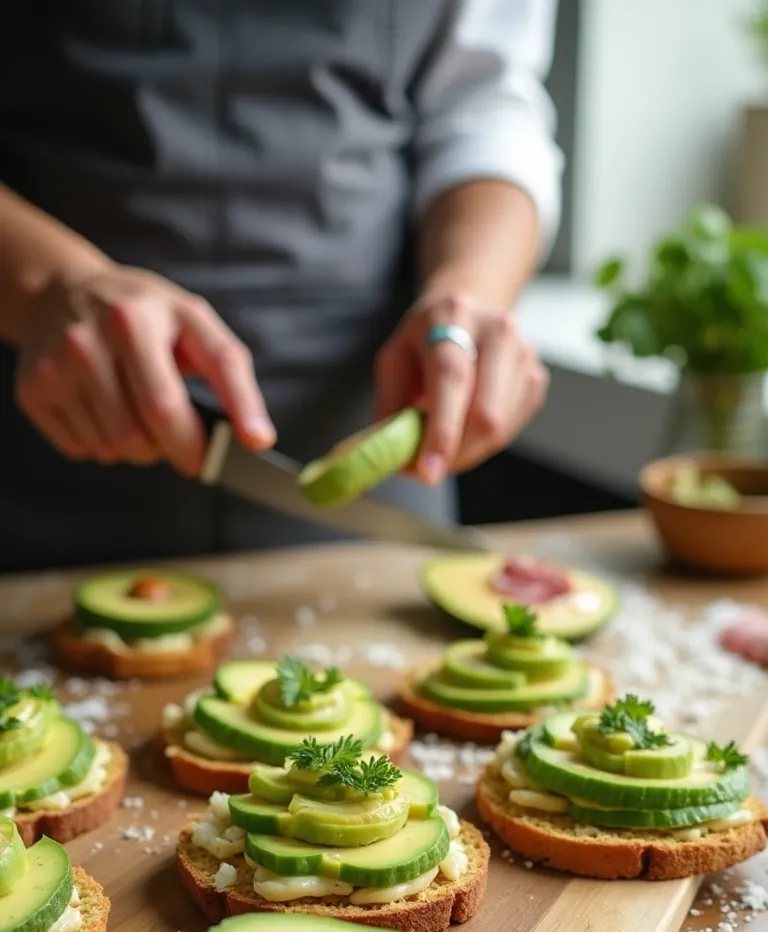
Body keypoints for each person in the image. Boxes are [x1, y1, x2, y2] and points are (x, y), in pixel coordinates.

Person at [0, 1, 562, 572]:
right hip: (41, 455)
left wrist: (472, 288)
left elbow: (484, 109)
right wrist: (47, 283)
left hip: (368, 442)